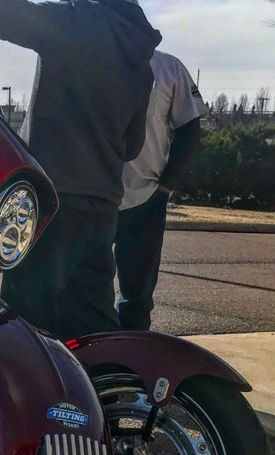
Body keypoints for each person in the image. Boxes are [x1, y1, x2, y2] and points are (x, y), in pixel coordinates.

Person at [0, 0, 161, 339]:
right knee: (94, 326)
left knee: (26, 327)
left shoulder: (74, 21)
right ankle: (110, 373)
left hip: (52, 200)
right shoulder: (141, 60)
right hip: (102, 208)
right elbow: (133, 145)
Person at [115, 50, 208, 330]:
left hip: (146, 200)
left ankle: (132, 353)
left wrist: (166, 187)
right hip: (94, 198)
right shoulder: (91, 57)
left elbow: (190, 130)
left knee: (137, 300)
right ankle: (90, 355)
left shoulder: (169, 67)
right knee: (85, 293)